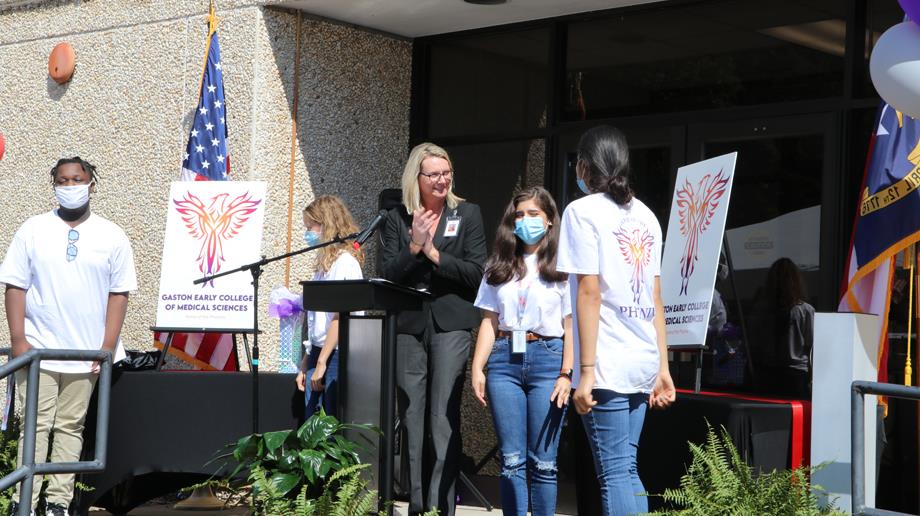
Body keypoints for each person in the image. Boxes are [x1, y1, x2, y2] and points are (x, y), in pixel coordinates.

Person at [0, 157, 137, 516]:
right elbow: (14, 284)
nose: (70, 185)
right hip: (38, 350)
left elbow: (119, 293)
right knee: (35, 425)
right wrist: (18, 340)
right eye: (63, 180)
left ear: (92, 183)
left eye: (77, 179)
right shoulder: (33, 229)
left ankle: (57, 502)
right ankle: (23, 501)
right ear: (54, 185)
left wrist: (106, 347)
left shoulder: (112, 234)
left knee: (70, 427)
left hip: (85, 355)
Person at [556, 126, 676, 515]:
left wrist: (586, 372)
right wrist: (663, 366)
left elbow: (588, 292)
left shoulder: (581, 212)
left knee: (613, 473)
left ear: (584, 166)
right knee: (624, 468)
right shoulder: (647, 216)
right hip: (641, 357)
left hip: (605, 360)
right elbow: (656, 298)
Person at [379, 142, 486, 516]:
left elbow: (477, 273)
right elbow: (386, 275)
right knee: (411, 416)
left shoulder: (467, 214)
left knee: (442, 417)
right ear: (417, 179)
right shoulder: (397, 218)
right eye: (433, 175)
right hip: (409, 326)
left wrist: (434, 254)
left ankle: (442, 507)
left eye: (446, 173)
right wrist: (413, 247)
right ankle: (416, 504)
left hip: (451, 325)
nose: (442, 180)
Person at [470, 186, 573, 516]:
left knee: (544, 462)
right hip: (504, 360)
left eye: (533, 214)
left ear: (549, 221)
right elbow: (489, 321)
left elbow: (572, 326)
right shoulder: (498, 266)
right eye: (519, 215)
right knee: (512, 460)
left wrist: (566, 374)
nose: (526, 220)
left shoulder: (564, 267)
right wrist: (477, 368)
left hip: (548, 358)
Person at [295, 195, 364, 417]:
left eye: (311, 227)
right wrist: (307, 361)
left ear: (327, 225)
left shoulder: (345, 264)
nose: (308, 234)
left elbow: (340, 316)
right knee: (311, 423)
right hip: (318, 352)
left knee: (329, 420)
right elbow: (316, 320)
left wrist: (323, 361)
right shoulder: (323, 266)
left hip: (334, 354)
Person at [753, 257, 815, 398]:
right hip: (796, 374)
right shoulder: (805, 310)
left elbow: (757, 342)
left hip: (768, 373)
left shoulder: (763, 310)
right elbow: (811, 345)